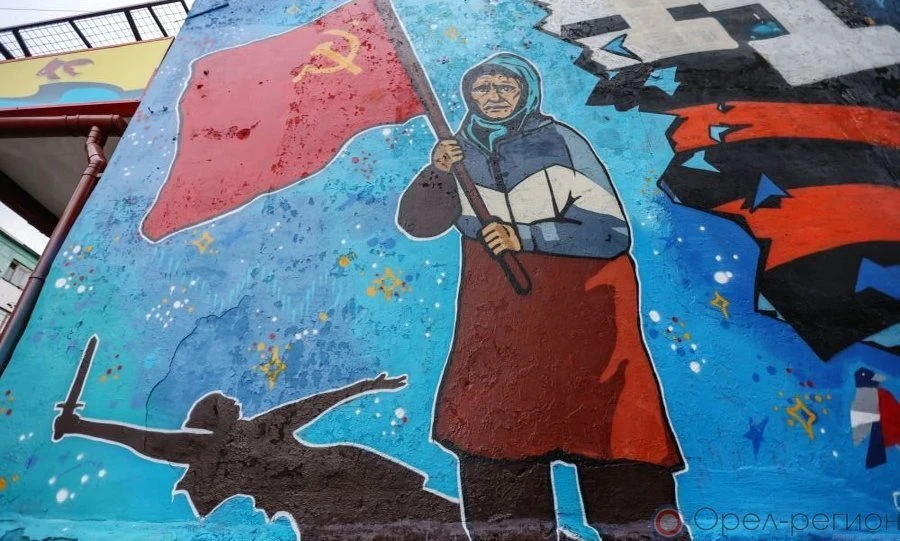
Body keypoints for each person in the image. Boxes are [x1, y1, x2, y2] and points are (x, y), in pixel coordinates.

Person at [397, 53, 686, 540]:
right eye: (482, 88)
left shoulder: (561, 143)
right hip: (502, 331)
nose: (493, 97)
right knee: (497, 456)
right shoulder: (457, 153)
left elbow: (611, 232)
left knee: (616, 461)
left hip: (584, 326)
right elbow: (418, 224)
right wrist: (436, 173)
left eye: (504, 87)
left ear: (526, 93)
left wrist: (526, 236)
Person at [53, 360, 466, 540]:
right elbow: (140, 438)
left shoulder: (261, 426)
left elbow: (313, 404)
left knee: (435, 514)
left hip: (351, 479)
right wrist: (79, 425)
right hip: (324, 500)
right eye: (224, 403)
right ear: (213, 418)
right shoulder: (205, 447)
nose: (234, 401)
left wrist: (365, 386)